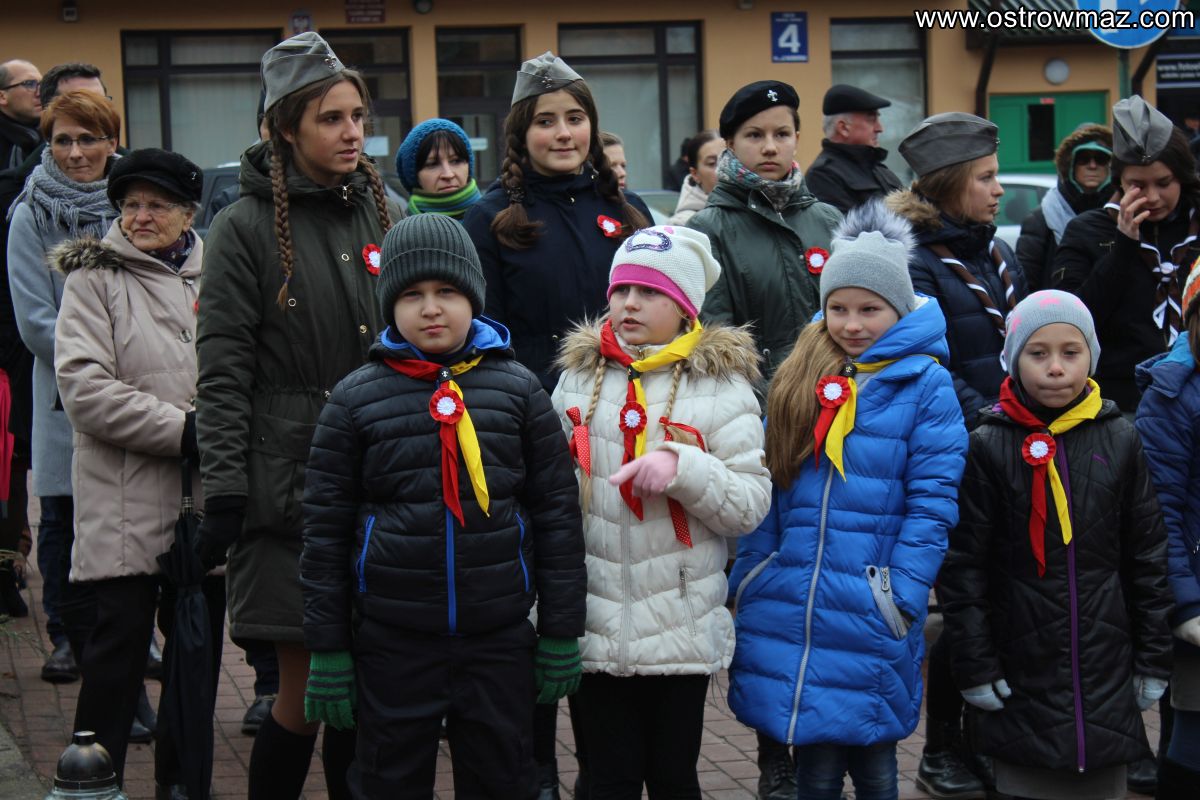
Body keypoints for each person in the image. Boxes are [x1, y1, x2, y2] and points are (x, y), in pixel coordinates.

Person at [300, 213, 586, 798]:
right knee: (388, 780)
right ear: (390, 304)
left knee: (503, 779)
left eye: (447, 292)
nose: (431, 309)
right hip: (393, 639)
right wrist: (328, 648)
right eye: (412, 295)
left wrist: (560, 630)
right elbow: (324, 532)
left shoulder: (519, 390)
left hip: (498, 636)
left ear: (473, 298)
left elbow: (557, 515)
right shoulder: (355, 398)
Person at [193, 32, 397, 800]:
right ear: (284, 127)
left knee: (365, 693)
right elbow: (223, 373)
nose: (351, 133)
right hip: (289, 495)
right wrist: (225, 490)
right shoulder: (243, 228)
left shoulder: (386, 209)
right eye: (330, 119)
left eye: (358, 116)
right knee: (306, 693)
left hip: (382, 484)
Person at [728, 201, 967, 800]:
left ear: (899, 308)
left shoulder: (927, 384)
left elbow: (933, 500)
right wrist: (753, 572)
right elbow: (772, 479)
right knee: (813, 759)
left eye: (869, 309)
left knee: (874, 758)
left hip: (871, 599)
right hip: (794, 593)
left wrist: (901, 593)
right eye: (838, 308)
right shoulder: (802, 372)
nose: (852, 324)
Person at [462, 51, 651, 798]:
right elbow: (484, 339)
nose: (564, 133)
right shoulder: (491, 220)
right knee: (537, 610)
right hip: (532, 444)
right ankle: (532, 770)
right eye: (546, 121)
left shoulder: (630, 217)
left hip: (624, 446)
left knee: (604, 605)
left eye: (576, 118)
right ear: (521, 133)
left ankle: (605, 773)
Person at [552, 225, 771, 798]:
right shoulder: (576, 381)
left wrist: (684, 469)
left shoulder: (722, 388)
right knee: (607, 780)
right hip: (595, 621)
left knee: (674, 779)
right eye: (621, 290)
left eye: (649, 292)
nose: (629, 303)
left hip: (681, 625)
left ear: (684, 306)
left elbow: (749, 505)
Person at [940, 289, 1172, 800]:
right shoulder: (988, 444)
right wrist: (975, 664)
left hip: (1106, 666)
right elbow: (964, 568)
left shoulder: (1121, 438)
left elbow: (1148, 557)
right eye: (1037, 353)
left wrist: (1154, 657)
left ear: (1092, 355)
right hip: (1021, 666)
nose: (1055, 368)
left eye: (1071, 352)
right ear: (1012, 359)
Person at [52, 148, 221, 795]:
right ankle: (94, 783)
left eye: (157, 205)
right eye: (130, 205)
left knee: (195, 663)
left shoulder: (219, 275)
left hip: (202, 505)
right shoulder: (93, 279)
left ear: (188, 212)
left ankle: (181, 786)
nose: (140, 216)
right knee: (115, 658)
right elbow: (85, 389)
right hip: (123, 505)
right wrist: (185, 430)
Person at [887, 110, 1027, 799]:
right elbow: (928, 364)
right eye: (986, 178)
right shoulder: (914, 262)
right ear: (948, 185)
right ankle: (941, 746)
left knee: (1004, 598)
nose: (998, 190)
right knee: (966, 602)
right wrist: (994, 420)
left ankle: (985, 741)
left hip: (1013, 443)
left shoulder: (997, 254)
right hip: (961, 452)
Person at [7, 90, 120, 688]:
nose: (75, 153)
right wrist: (106, 360)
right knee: (63, 517)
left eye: (88, 139)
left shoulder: (134, 204)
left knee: (127, 519)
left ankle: (129, 635)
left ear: (111, 143)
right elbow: (34, 322)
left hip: (134, 393)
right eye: (62, 140)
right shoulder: (30, 214)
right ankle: (66, 637)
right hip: (64, 394)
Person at [1054, 95, 1200, 414]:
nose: (1153, 197)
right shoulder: (1087, 230)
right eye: (1138, 185)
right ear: (1119, 181)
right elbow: (1072, 321)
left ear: (1182, 176)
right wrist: (1123, 248)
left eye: (1164, 183)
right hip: (1119, 402)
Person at [689, 80, 842, 379]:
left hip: (841, 393)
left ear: (796, 139)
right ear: (730, 143)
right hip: (760, 400)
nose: (770, 147)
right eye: (754, 135)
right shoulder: (708, 229)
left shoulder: (830, 220)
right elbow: (715, 339)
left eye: (782, 134)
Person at [1134, 263, 1200, 797]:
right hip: (1197, 597)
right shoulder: (1173, 397)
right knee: (1191, 732)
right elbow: (1160, 512)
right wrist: (1186, 605)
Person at [1016, 125, 1112, 292]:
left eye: (1100, 158)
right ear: (1070, 165)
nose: (1092, 165)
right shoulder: (1042, 218)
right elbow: (1026, 282)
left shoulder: (1119, 214)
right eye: (1083, 159)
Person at [805, 84, 902, 214]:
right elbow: (844, 225)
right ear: (843, 128)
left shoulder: (878, 169)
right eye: (871, 119)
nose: (880, 128)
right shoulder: (822, 176)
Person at [395, 117, 481, 218]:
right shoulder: (398, 224)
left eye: (456, 161)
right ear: (414, 176)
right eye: (432, 164)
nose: (448, 174)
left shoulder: (493, 218)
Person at [666, 129, 721, 226]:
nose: (723, 168)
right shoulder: (682, 225)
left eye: (729, 159)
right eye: (712, 163)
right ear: (695, 174)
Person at [0, 59, 41, 170]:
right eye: (29, 84)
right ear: (2, 97)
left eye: (41, 84)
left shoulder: (53, 134)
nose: (40, 93)